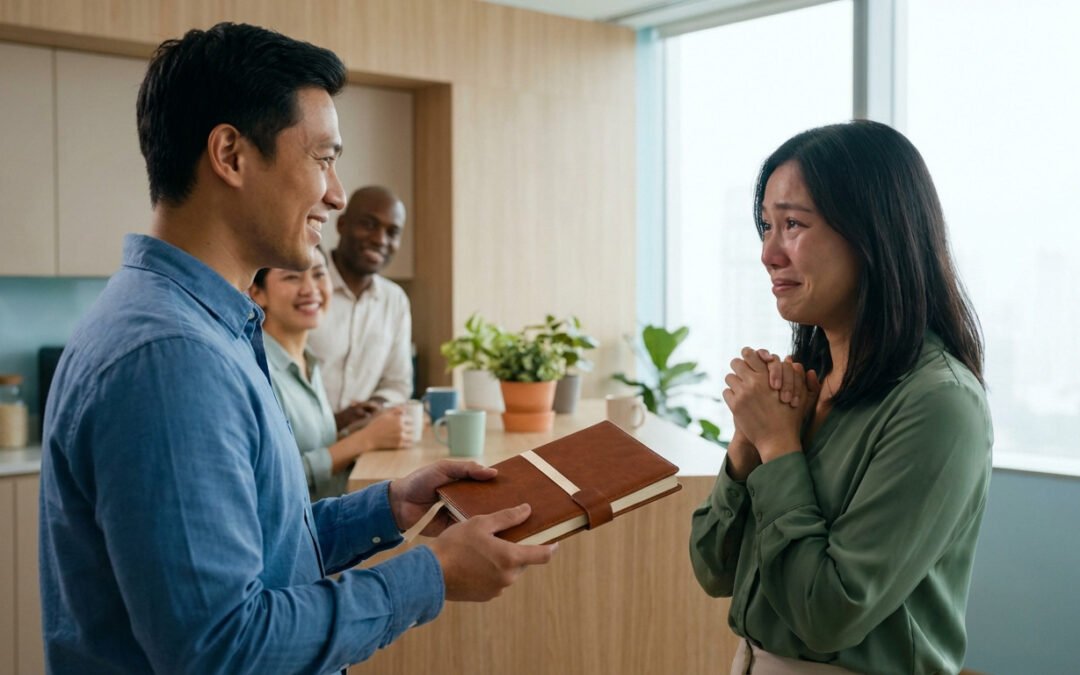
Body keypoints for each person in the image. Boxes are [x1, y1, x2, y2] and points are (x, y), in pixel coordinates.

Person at [38, 22, 555, 674]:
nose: (336, 195)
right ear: (230, 154)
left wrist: (391, 505)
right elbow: (225, 647)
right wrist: (431, 575)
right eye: (323, 158)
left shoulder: (207, 326)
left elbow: (264, 549)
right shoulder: (173, 358)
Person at [689, 120, 992, 674]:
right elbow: (713, 569)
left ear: (873, 233)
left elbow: (828, 614)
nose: (768, 253)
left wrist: (779, 446)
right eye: (765, 226)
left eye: (793, 224)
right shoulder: (804, 386)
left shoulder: (939, 404)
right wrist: (746, 448)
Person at [250, 246, 412, 501]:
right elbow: (272, 480)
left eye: (319, 274)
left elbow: (310, 446)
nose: (310, 289)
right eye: (291, 277)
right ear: (257, 292)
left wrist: (361, 430)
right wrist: (364, 441)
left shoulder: (308, 363)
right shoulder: (259, 369)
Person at [308, 185, 413, 431]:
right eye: (368, 224)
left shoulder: (394, 300)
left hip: (365, 446)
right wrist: (332, 422)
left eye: (392, 232)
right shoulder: (303, 287)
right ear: (342, 225)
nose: (380, 239)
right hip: (305, 446)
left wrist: (373, 407)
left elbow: (398, 384)